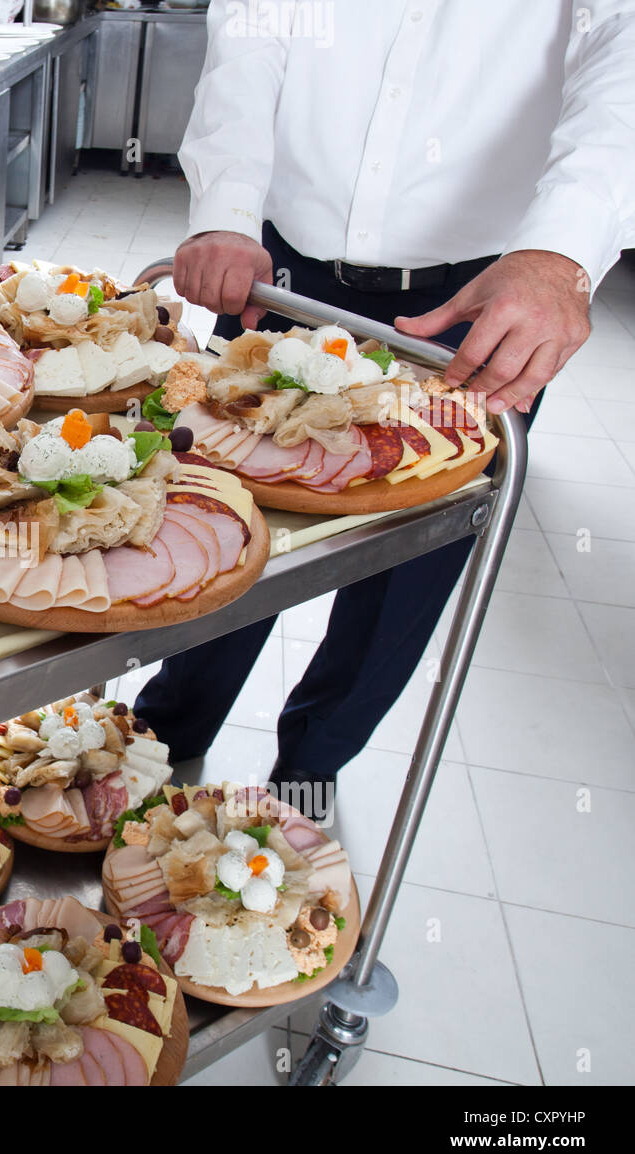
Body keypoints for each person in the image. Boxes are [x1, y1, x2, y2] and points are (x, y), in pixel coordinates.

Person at [134, 1, 635, 818]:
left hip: (477, 299)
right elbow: (253, 35)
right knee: (217, 521)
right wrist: (225, 206)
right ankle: (165, 731)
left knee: (404, 571)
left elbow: (625, 46)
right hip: (278, 277)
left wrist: (566, 249)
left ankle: (310, 771)